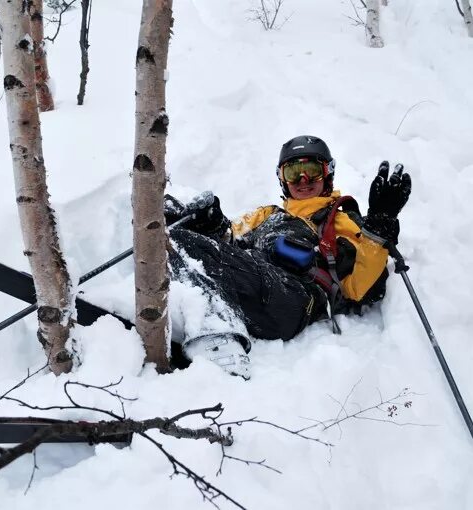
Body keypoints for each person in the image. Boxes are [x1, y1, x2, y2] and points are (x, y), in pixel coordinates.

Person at [165, 135, 412, 379]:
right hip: (251, 285)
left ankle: (220, 346)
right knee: (173, 232)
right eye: (294, 172)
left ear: (328, 173)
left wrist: (379, 229)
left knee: (186, 241)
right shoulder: (267, 215)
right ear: (282, 178)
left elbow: (358, 288)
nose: (303, 180)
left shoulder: (339, 220)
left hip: (294, 299)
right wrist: (211, 223)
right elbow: (228, 239)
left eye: (312, 170)